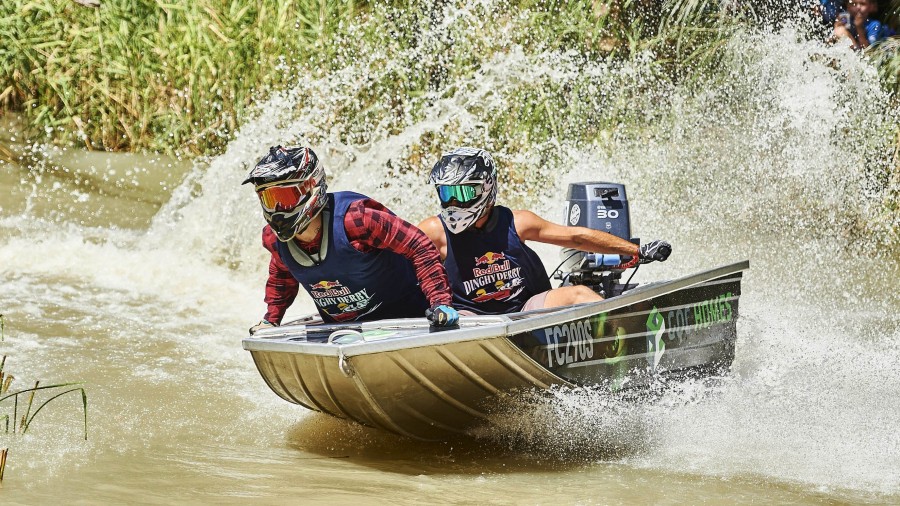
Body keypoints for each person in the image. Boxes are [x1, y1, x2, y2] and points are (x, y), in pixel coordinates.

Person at [417, 147, 672, 315]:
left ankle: (622, 349)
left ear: (486, 188)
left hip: (526, 313)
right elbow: (396, 263)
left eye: (462, 193)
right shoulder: (434, 230)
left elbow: (576, 237)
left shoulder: (517, 222)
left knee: (581, 294)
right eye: (446, 193)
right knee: (457, 321)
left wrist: (637, 251)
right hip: (470, 319)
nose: (453, 203)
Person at [244, 145, 459, 334]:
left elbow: (419, 245)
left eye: (285, 198)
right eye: (269, 200)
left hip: (411, 320)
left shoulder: (357, 219)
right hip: (346, 332)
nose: (278, 211)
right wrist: (271, 320)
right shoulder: (274, 240)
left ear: (312, 186)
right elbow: (281, 276)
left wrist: (440, 302)